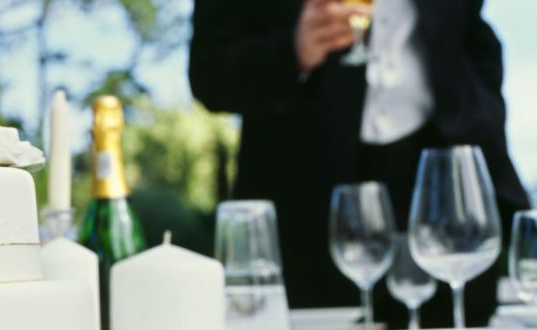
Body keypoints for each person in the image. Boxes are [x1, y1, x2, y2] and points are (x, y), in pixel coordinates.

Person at [189, 0, 531, 327]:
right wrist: (292, 51)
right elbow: (209, 72)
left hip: (442, 187)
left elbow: (473, 36)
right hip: (306, 200)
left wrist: (483, 114)